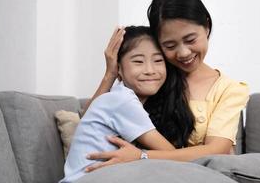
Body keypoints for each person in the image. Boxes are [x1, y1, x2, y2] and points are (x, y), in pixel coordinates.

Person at [85, 0, 250, 172]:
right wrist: (110, 73)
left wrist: (141, 156)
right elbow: (88, 123)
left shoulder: (229, 89)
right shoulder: (154, 75)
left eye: (190, 39)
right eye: (169, 45)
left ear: (207, 26)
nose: (183, 53)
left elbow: (216, 151)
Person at [60, 26, 189, 183]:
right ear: (119, 68)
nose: (150, 70)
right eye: (138, 61)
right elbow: (171, 154)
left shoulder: (123, 99)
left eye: (158, 60)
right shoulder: (122, 101)